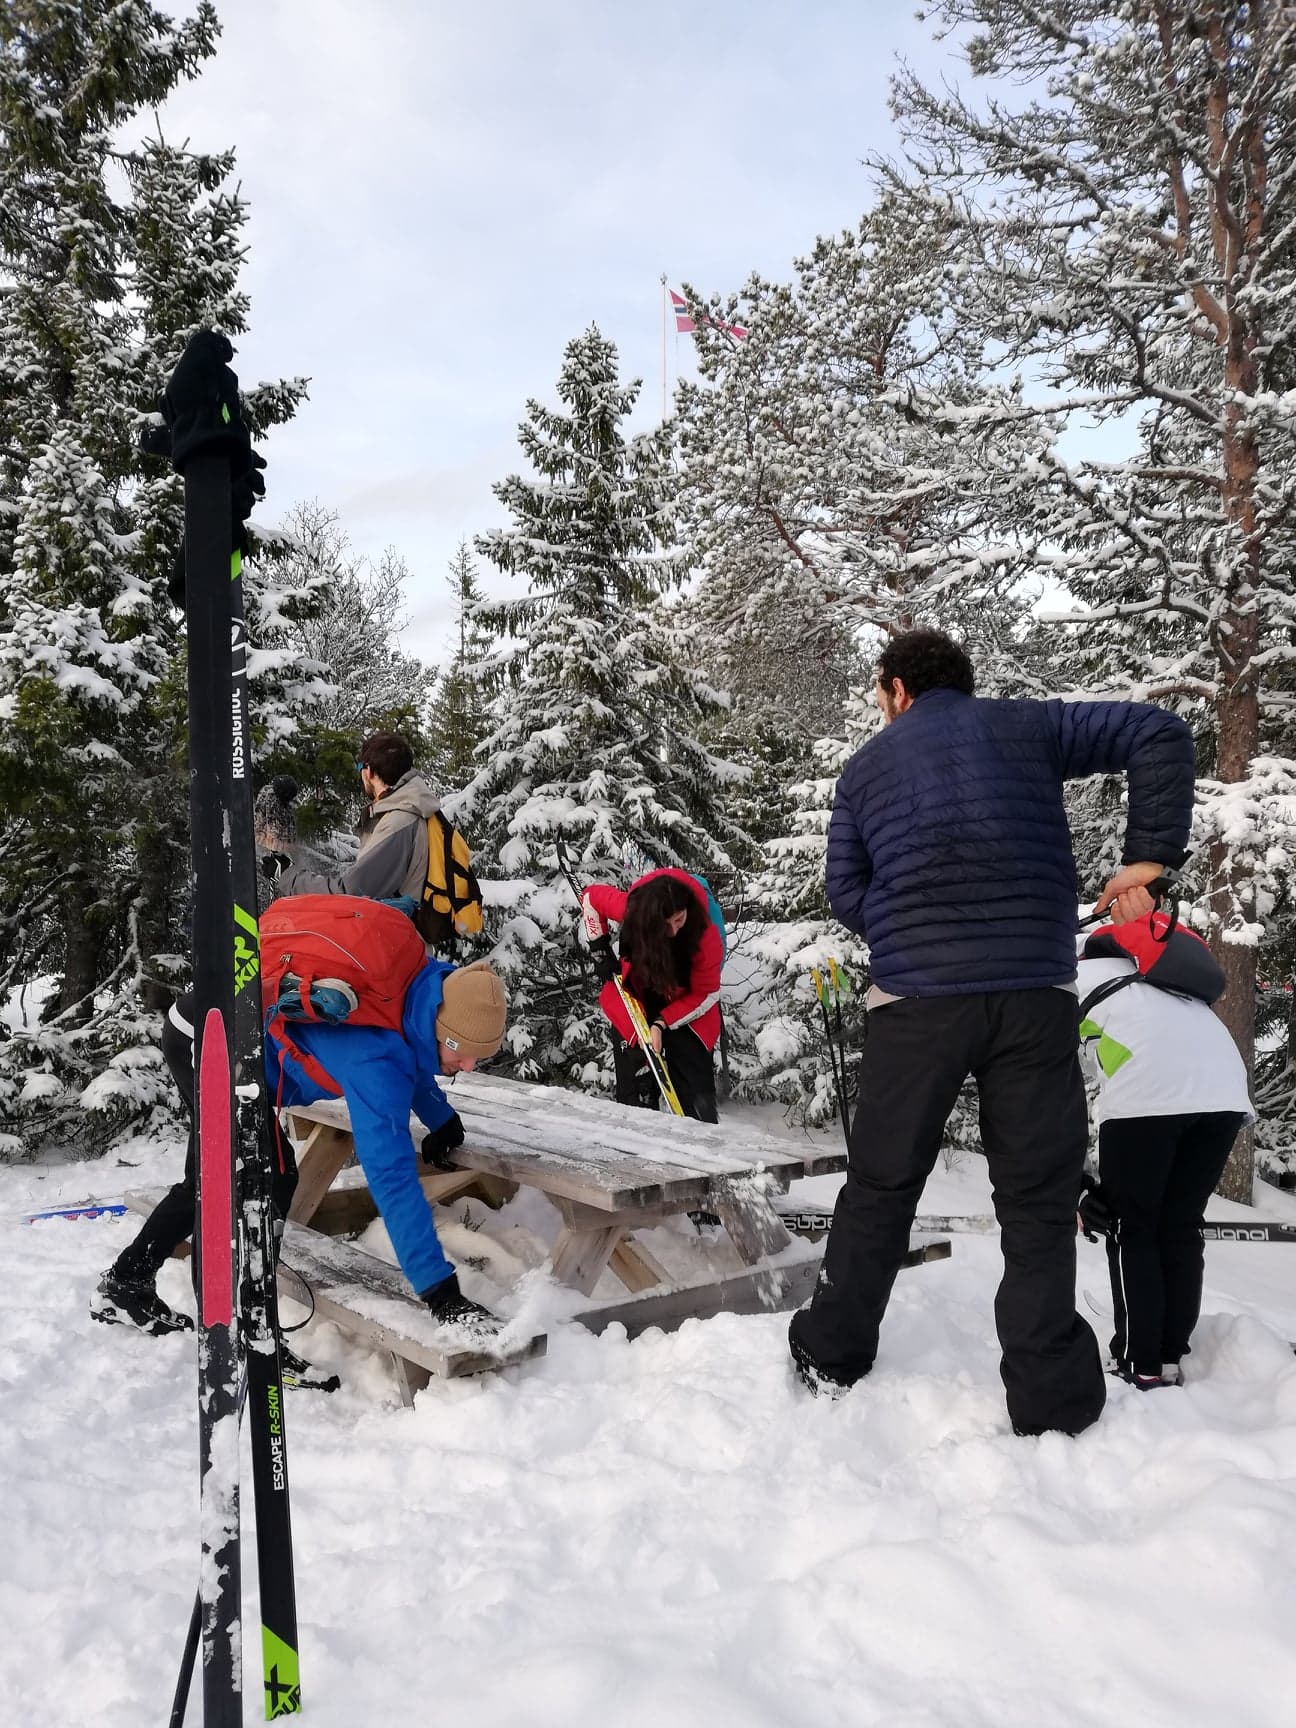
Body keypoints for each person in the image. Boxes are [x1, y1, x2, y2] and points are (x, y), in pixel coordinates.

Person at [787, 627, 1197, 1439]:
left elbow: (845, 887)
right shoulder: (1029, 728)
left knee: (879, 1186)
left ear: (897, 690)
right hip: (1033, 1000)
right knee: (1038, 1203)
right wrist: (1147, 860)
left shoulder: (865, 771)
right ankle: (1052, 1401)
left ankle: (831, 1351)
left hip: (914, 1005)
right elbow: (1158, 731)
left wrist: (910, 929)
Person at [265, 954, 509, 1328]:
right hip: (211, 1042)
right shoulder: (374, 1062)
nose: (469, 1066)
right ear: (441, 1030)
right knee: (259, 1185)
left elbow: (409, 1044)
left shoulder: (418, 990)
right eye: (463, 1051)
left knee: (273, 1182)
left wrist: (439, 1117)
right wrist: (440, 1292)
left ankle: (243, 1309)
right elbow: (391, 1176)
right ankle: (235, 1320)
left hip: (241, 1045)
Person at [1075, 918, 1252, 1390]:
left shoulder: (1074, 978)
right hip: (1225, 1095)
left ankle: (1141, 1363)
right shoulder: (1164, 983)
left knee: (1131, 1227)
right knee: (1179, 1225)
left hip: (1149, 1098)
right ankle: (1170, 1354)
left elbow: (1045, 1084)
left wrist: (1076, 1185)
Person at [581, 869, 724, 1123]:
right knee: (633, 1085)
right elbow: (591, 898)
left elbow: (707, 994)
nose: (672, 930)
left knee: (695, 1093)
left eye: (679, 919)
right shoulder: (632, 909)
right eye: (664, 924)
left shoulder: (706, 936)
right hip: (640, 991)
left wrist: (662, 1022)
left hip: (688, 1003)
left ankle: (701, 1140)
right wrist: (599, 948)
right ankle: (639, 1118)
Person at [261, 731, 441, 904]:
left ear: (368, 771)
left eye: (359, 767)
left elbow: (349, 893)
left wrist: (287, 875)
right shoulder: (410, 812)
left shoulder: (399, 823)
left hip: (393, 931)